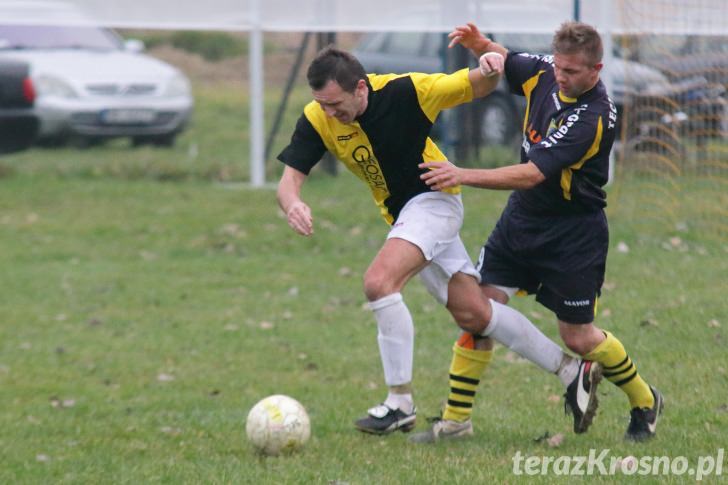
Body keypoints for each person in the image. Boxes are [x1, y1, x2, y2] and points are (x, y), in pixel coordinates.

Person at [277, 46, 601, 437]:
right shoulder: (318, 116)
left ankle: (399, 402)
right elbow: (290, 179)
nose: (329, 113)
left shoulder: (406, 92)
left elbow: (469, 86)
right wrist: (293, 203)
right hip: (406, 219)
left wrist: (489, 67)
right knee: (474, 314)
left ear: (360, 89)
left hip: (434, 203)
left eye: (335, 104)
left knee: (379, 283)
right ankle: (572, 371)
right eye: (321, 105)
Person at [411, 22, 663, 443]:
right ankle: (455, 422)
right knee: (477, 313)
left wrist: (461, 174)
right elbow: (505, 61)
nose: (561, 77)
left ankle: (644, 399)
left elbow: (530, 174)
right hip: (522, 221)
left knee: (578, 337)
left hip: (573, 233)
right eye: (559, 67)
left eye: (572, 72)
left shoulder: (594, 117)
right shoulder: (544, 69)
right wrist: (480, 46)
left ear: (596, 69)